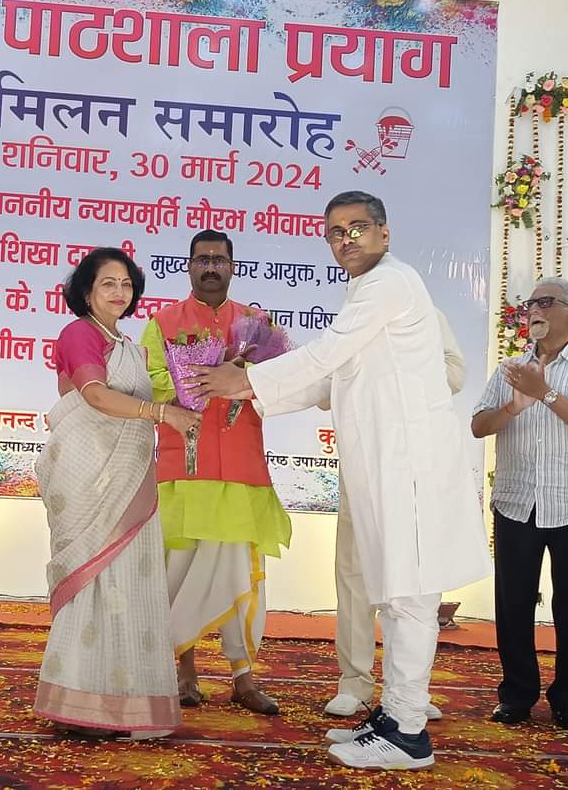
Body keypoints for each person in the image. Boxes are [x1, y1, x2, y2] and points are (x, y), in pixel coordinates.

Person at [187, 190, 491, 770]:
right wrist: (249, 390)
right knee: (392, 593)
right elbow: (330, 381)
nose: (345, 239)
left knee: (408, 597)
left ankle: (409, 734)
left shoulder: (389, 283)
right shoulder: (365, 292)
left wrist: (246, 381)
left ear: (384, 233)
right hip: (382, 466)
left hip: (409, 466)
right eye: (334, 231)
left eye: (357, 228)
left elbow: (326, 355)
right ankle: (396, 714)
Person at [32, 247, 200, 738]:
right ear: (87, 291)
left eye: (126, 284)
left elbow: (135, 402)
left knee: (129, 584)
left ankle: (119, 703)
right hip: (89, 476)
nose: (119, 292)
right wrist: (163, 414)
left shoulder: (128, 345)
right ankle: (77, 704)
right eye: (108, 283)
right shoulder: (79, 333)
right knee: (94, 580)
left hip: (129, 475)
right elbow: (96, 396)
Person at [139, 229, 291, 716]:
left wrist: (243, 375)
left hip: (242, 469)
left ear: (231, 267)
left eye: (218, 260)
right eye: (202, 259)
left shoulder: (256, 326)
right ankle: (183, 673)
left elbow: (281, 385)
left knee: (243, 574)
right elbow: (148, 382)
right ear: (188, 266)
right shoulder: (162, 323)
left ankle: (244, 678)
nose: (210, 267)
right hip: (183, 467)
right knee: (178, 573)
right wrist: (195, 380)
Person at [471, 276, 568, 732]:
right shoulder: (510, 368)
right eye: (529, 303)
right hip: (516, 501)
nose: (533, 309)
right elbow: (478, 426)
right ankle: (516, 695)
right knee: (513, 604)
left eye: (545, 302)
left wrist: (545, 393)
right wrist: (514, 406)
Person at [324, 309, 465, 723]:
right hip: (363, 463)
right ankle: (354, 683)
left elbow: (456, 373)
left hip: (413, 468)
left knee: (411, 586)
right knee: (354, 578)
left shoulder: (426, 315)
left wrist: (399, 371)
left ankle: (407, 692)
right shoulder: (354, 316)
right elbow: (324, 380)